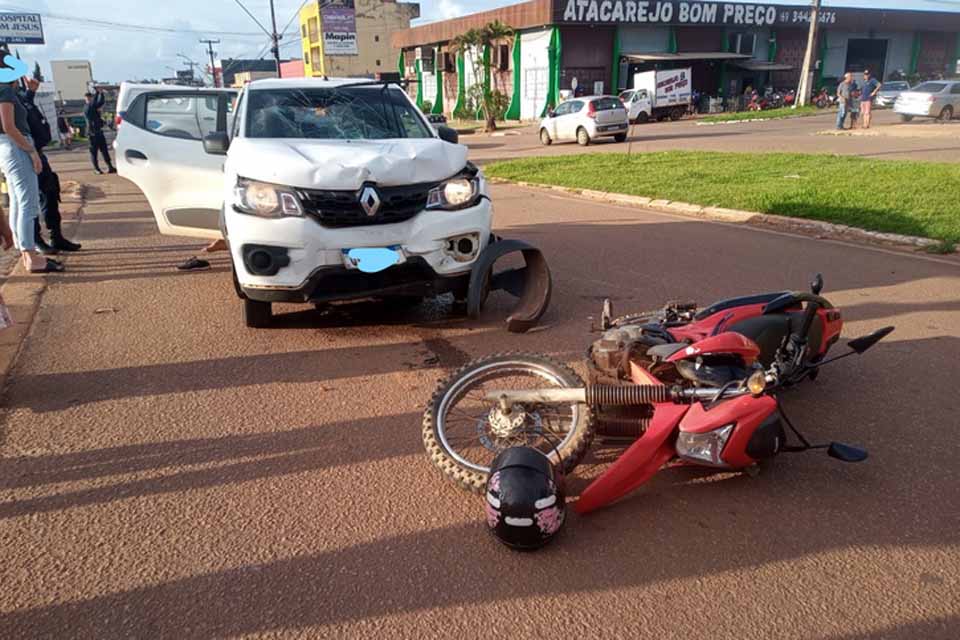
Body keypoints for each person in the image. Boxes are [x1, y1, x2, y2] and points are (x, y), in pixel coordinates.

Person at [0, 76, 64, 273]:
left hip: (7, 146)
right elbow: (10, 126)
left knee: (19, 202)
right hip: (17, 146)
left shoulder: (8, 91)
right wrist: (31, 151)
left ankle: (26, 251)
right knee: (28, 202)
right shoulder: (5, 90)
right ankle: (30, 255)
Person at [18, 77, 81, 253]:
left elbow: (26, 109)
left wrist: (31, 92)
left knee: (50, 190)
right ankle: (36, 241)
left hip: (38, 152)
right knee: (30, 200)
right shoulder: (6, 95)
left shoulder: (20, 96)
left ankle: (56, 237)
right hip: (25, 154)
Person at [83, 88, 115, 174]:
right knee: (94, 153)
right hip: (92, 134)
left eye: (90, 98)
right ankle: (97, 169)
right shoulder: (87, 108)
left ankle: (110, 166)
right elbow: (96, 103)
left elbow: (100, 103)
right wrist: (98, 93)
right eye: (88, 98)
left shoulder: (93, 107)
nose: (89, 100)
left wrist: (101, 94)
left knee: (104, 150)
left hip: (99, 132)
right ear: (85, 99)